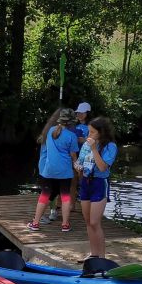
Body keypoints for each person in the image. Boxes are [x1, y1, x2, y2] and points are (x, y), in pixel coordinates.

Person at [28, 109, 79, 232]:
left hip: (49, 170)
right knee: (66, 196)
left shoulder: (50, 131)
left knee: (44, 196)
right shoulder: (72, 136)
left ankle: (35, 224)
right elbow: (73, 155)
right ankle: (65, 225)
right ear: (71, 122)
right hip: (65, 171)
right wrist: (77, 164)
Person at [75, 116, 118, 260]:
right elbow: (80, 162)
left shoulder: (110, 146)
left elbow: (102, 167)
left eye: (92, 132)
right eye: (89, 132)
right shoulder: (87, 145)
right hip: (86, 182)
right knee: (88, 221)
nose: (89, 135)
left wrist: (94, 148)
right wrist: (78, 167)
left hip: (100, 183)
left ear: (101, 132)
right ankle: (94, 254)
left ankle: (102, 257)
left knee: (95, 222)